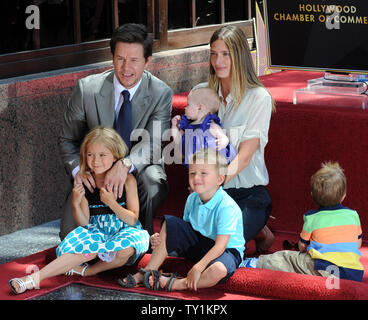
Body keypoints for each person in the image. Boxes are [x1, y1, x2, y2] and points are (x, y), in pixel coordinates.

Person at [58, 23, 173, 239]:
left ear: (148, 61)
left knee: (152, 182)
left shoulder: (160, 93)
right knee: (68, 236)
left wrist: (125, 164)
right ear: (112, 57)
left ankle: (141, 237)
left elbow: (154, 143)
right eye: (120, 59)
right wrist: (78, 172)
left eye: (134, 60)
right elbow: (67, 139)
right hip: (94, 171)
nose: (126, 68)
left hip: (138, 169)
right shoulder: (87, 90)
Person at [8, 126, 150, 294]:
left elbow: (133, 219)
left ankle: (89, 271)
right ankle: (32, 279)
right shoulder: (86, 182)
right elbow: (84, 223)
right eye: (90, 155)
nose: (95, 160)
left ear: (115, 156)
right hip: (97, 232)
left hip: (125, 231)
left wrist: (112, 203)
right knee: (84, 250)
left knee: (124, 250)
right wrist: (76, 202)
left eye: (102, 155)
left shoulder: (127, 180)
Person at [193, 25, 275, 252]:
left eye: (225, 54)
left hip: (248, 193)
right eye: (214, 53)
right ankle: (259, 230)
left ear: (239, 56)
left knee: (216, 248)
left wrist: (212, 185)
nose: (218, 61)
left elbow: (245, 156)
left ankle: (259, 228)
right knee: (194, 247)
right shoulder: (201, 93)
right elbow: (193, 145)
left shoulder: (259, 98)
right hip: (210, 192)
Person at [119, 148, 245, 291]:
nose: (196, 177)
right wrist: (162, 239)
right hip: (200, 244)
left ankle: (174, 284)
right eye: (192, 173)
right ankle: (147, 271)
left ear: (220, 179)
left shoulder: (226, 206)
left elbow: (220, 246)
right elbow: (182, 230)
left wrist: (199, 266)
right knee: (171, 223)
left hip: (225, 250)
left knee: (218, 270)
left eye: (203, 173)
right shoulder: (192, 199)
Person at [240, 162, 364, 282]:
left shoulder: (312, 217)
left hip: (324, 269)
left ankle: (256, 263)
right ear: (344, 195)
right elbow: (357, 243)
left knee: (287, 258)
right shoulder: (353, 215)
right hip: (353, 273)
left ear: (312, 195)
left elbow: (302, 246)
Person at [171, 87, 236, 167]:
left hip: (211, 164)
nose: (185, 108)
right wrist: (174, 127)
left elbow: (223, 136)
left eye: (188, 105)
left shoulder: (210, 125)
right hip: (196, 166)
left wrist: (224, 141)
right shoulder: (187, 126)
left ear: (200, 107)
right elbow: (178, 141)